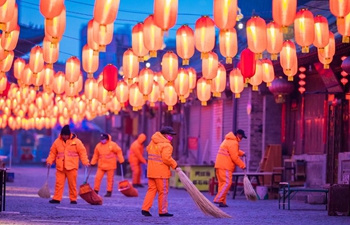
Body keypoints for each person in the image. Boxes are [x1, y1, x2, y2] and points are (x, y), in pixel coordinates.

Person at [141, 126, 180, 217]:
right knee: (163, 191)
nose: (171, 137)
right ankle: (163, 211)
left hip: (151, 171)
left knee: (151, 190)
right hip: (161, 173)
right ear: (165, 135)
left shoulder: (153, 141)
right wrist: (175, 165)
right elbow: (166, 159)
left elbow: (147, 149)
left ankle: (145, 209)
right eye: (170, 135)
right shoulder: (167, 145)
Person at [46, 125, 90, 204]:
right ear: (61, 134)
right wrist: (49, 161)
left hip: (72, 167)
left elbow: (82, 152)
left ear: (69, 134)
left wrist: (85, 162)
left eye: (66, 135)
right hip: (60, 167)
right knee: (58, 184)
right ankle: (56, 198)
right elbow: (52, 153)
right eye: (63, 135)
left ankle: (73, 199)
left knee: (72, 184)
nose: (64, 136)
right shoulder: (57, 142)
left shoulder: (77, 142)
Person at [213, 129, 247, 208]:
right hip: (226, 166)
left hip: (219, 165)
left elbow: (233, 151)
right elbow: (234, 157)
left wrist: (242, 153)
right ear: (238, 134)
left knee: (222, 184)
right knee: (227, 183)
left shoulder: (227, 140)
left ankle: (222, 202)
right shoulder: (234, 143)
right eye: (242, 136)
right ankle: (218, 199)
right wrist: (243, 166)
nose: (242, 139)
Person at [91, 133, 125, 197]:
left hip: (110, 165)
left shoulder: (113, 145)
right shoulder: (98, 146)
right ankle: (96, 190)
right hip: (101, 165)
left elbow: (119, 151)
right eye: (101, 139)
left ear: (107, 139)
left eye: (103, 139)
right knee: (97, 178)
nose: (102, 141)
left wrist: (121, 160)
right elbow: (95, 155)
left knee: (110, 179)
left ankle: (109, 192)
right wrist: (93, 162)